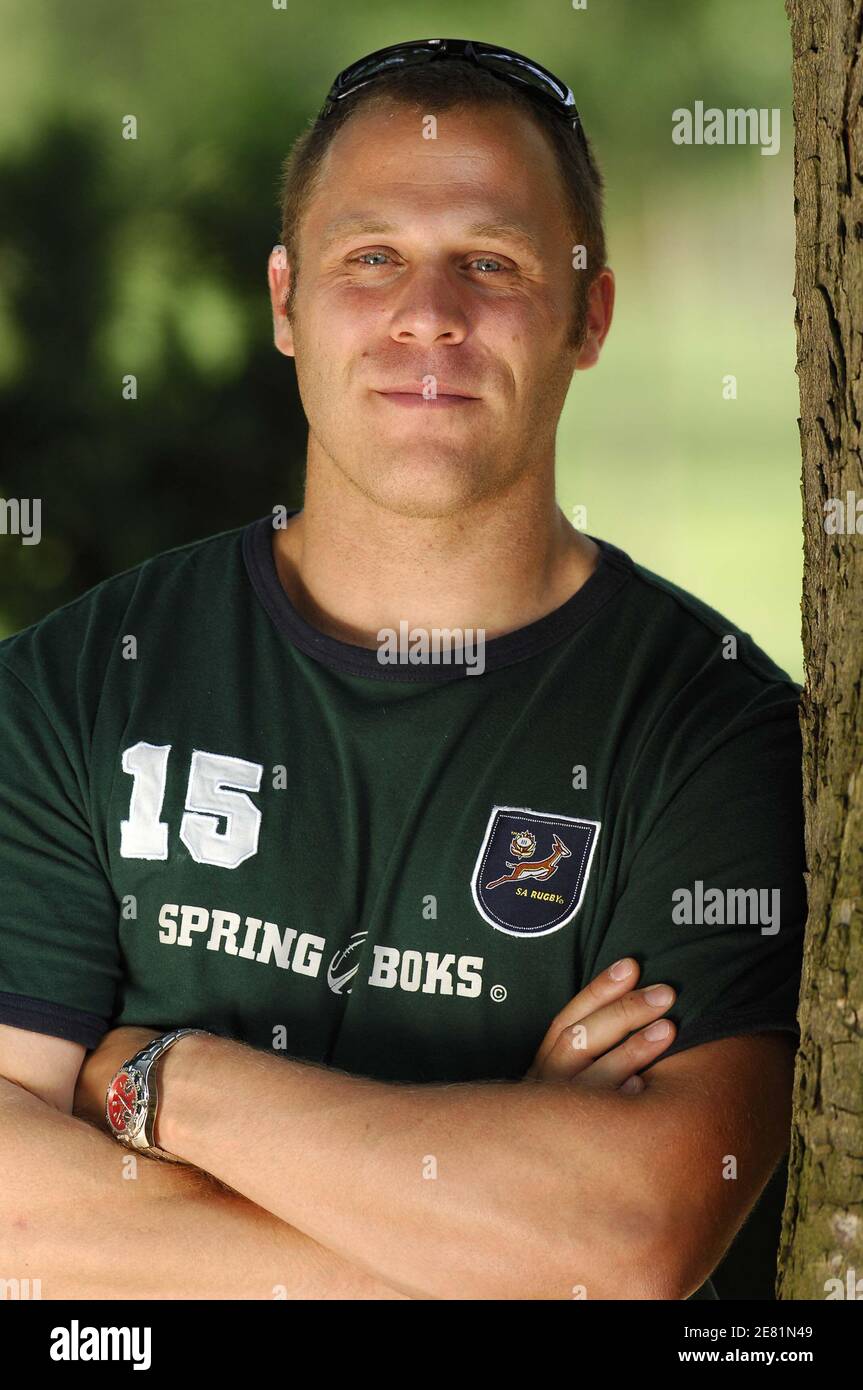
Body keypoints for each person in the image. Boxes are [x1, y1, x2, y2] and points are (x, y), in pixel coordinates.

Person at [0, 39, 805, 1301]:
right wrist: (480, 1251)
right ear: (284, 302)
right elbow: (15, 1223)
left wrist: (162, 1082)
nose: (427, 312)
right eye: (370, 256)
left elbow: (626, 1239)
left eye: (491, 262)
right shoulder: (77, 685)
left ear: (588, 314)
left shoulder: (715, 730)